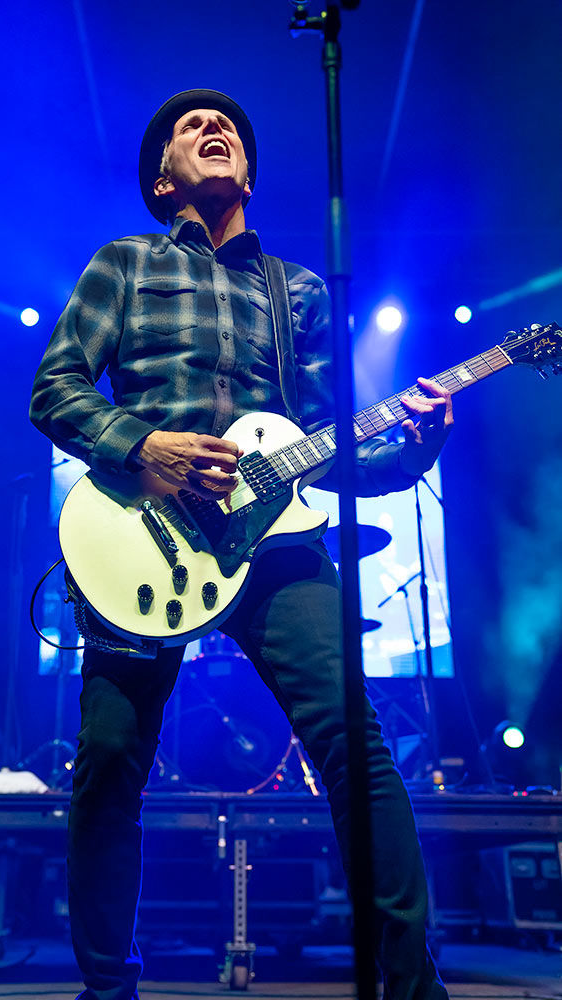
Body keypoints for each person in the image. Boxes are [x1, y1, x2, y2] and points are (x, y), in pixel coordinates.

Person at [30, 89, 453, 1000]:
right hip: (143, 536)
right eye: (189, 127)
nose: (213, 129)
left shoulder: (293, 288)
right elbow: (55, 390)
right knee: (109, 763)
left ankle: (413, 986)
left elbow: (334, 446)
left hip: (275, 542)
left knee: (355, 743)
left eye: (226, 128)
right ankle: (108, 988)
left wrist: (413, 448)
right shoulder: (126, 264)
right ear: (161, 177)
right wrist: (144, 447)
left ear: (247, 171)